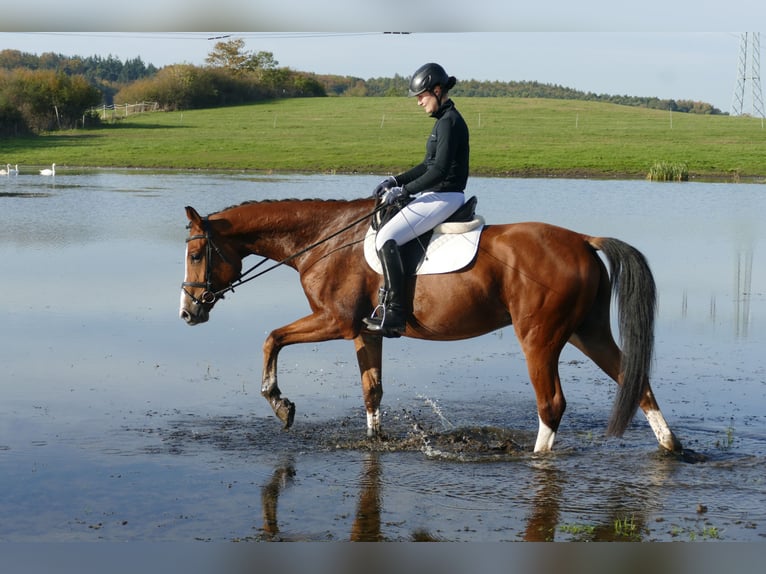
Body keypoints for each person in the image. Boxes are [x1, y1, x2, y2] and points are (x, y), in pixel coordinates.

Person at [363, 62, 470, 337]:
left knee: (386, 237)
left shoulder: (450, 122)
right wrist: (396, 181)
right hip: (438, 194)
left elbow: (439, 171)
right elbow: (426, 165)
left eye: (422, 96)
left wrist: (406, 191)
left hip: (445, 196)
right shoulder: (442, 122)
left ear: (437, 90)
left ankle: (395, 311)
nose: (419, 102)